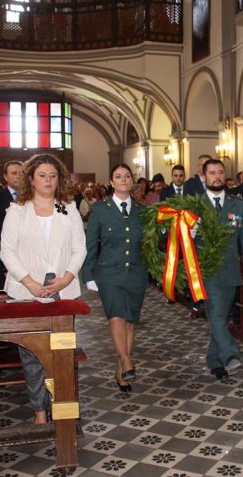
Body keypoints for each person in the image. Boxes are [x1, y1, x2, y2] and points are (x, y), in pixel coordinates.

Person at [0, 154, 86, 424]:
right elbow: (7, 251)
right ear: (31, 179)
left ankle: (61, 407)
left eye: (53, 176)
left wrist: (65, 278)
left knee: (61, 353)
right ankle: (39, 411)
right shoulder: (18, 210)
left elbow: (78, 248)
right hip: (26, 291)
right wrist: (30, 282)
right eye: (42, 175)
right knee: (32, 355)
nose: (48, 181)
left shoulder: (66, 208)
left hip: (62, 289)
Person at [82, 164, 148, 392]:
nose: (123, 180)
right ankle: (127, 360)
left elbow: (149, 241)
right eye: (118, 177)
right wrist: (88, 273)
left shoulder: (142, 210)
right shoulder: (100, 209)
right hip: (108, 273)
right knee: (116, 316)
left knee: (130, 323)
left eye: (127, 176)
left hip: (136, 274)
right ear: (111, 182)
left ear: (132, 182)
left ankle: (121, 370)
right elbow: (90, 243)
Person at [200, 159, 243, 379]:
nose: (217, 176)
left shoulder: (238, 205)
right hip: (205, 270)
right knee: (218, 315)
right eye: (212, 173)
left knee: (220, 314)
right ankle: (230, 354)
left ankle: (213, 360)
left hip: (230, 270)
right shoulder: (195, 205)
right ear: (204, 177)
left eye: (220, 172)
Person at [0, 160, 23, 290]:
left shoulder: (34, 196)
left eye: (21, 173)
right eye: (14, 173)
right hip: (3, 250)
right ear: (5, 176)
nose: (18, 176)